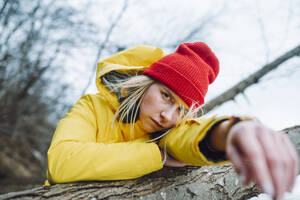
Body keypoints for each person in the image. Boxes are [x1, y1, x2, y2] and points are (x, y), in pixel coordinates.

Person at [46, 42, 299, 200]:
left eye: (181, 109)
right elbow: (61, 164)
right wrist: (156, 155)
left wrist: (232, 131)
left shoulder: (167, 132)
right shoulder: (93, 106)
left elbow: (192, 137)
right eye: (165, 95)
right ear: (147, 84)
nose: (168, 116)